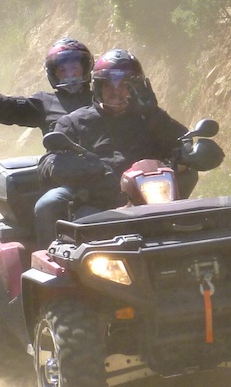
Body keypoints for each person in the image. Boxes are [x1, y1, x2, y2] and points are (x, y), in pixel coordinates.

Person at [34, 48, 195, 245]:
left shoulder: (150, 119)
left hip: (151, 202)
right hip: (95, 202)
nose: (116, 91)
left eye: (124, 85)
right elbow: (47, 163)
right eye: (108, 85)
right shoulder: (73, 122)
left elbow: (183, 142)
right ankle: (50, 256)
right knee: (48, 203)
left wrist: (154, 113)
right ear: (97, 87)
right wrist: (71, 166)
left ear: (136, 88)